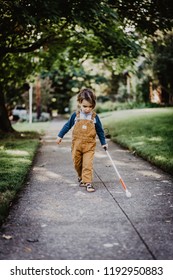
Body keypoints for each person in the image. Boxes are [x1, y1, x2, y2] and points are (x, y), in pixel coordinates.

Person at [56, 88, 108, 192]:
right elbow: (67, 126)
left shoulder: (94, 117)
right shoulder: (75, 116)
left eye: (90, 106)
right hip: (77, 145)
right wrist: (60, 135)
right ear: (80, 103)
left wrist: (104, 143)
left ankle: (88, 182)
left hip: (89, 146)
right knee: (77, 163)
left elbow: (100, 131)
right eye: (85, 106)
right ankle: (80, 176)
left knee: (87, 164)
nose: (88, 109)